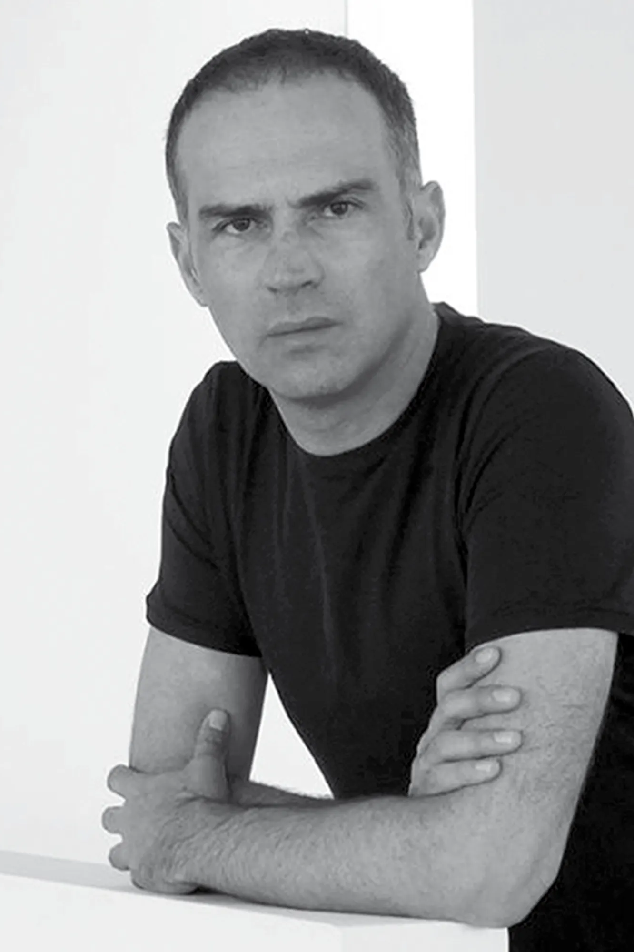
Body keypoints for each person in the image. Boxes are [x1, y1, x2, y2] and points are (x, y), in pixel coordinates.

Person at [101, 28, 634, 950]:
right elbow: (162, 794)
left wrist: (203, 835)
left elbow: (489, 870)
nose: (290, 268)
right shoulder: (225, 428)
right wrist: (421, 834)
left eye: (335, 208)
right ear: (189, 264)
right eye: (239, 224)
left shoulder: (541, 411)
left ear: (422, 226)